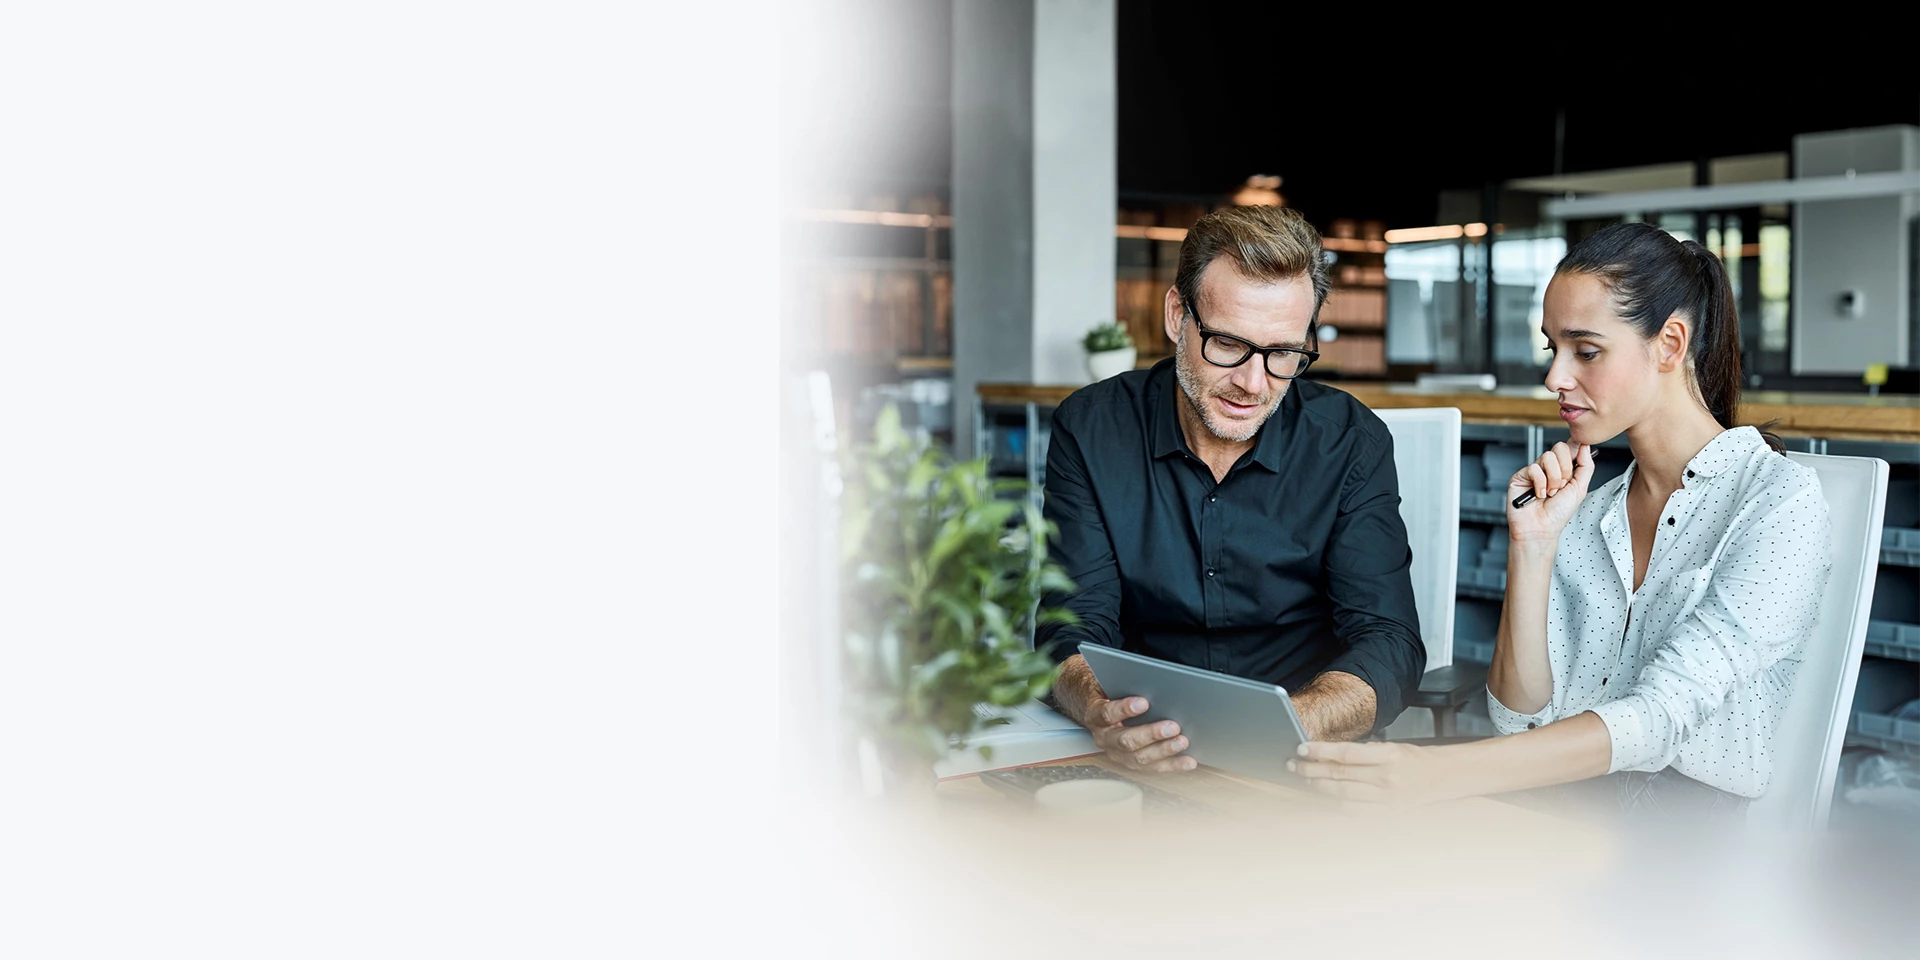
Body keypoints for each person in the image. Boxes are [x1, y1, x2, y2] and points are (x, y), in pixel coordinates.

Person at [1291, 221, 1833, 818]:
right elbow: (1517, 718)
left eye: (1587, 350)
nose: (1555, 378)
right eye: (1554, 349)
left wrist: (1441, 771)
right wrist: (1534, 547)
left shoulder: (1778, 501)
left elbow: (1658, 718)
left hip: (1680, 829)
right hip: (1563, 800)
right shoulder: (1589, 509)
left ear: (1670, 344)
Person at [1037, 205, 1426, 773]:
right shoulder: (1092, 428)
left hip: (1299, 755)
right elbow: (1069, 626)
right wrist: (1102, 711)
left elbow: (1388, 642)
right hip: (1137, 746)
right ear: (1177, 315)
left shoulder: (1350, 443)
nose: (1252, 383)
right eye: (1226, 344)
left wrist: (1285, 725)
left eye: (1283, 354)